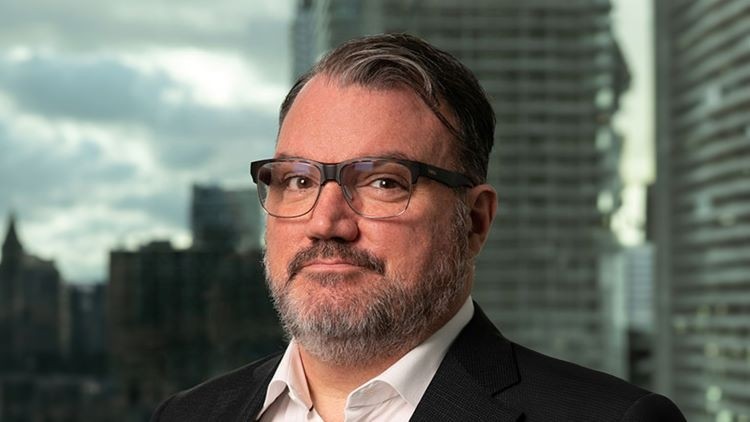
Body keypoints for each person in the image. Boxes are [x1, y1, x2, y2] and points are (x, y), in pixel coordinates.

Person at [151, 33, 685, 422]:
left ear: (474, 222)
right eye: (297, 180)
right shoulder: (188, 414)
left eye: (383, 182)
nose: (325, 223)